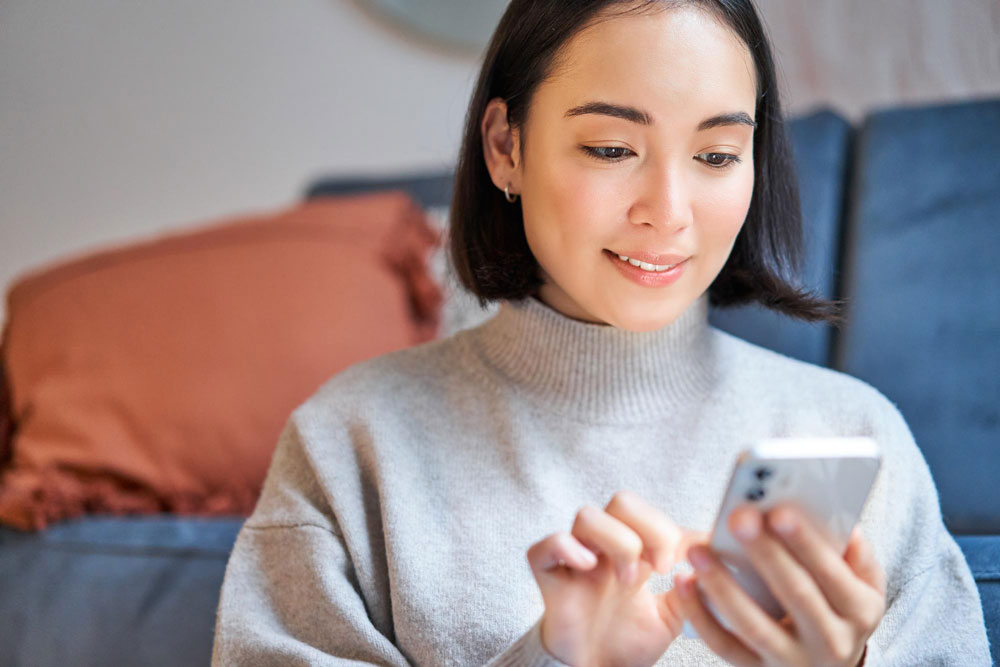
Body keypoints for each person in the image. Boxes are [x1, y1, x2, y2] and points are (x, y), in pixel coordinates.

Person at [211, 1, 990, 665]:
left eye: (717, 154)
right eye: (613, 148)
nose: (669, 209)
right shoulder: (350, 446)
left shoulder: (853, 435)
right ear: (504, 147)